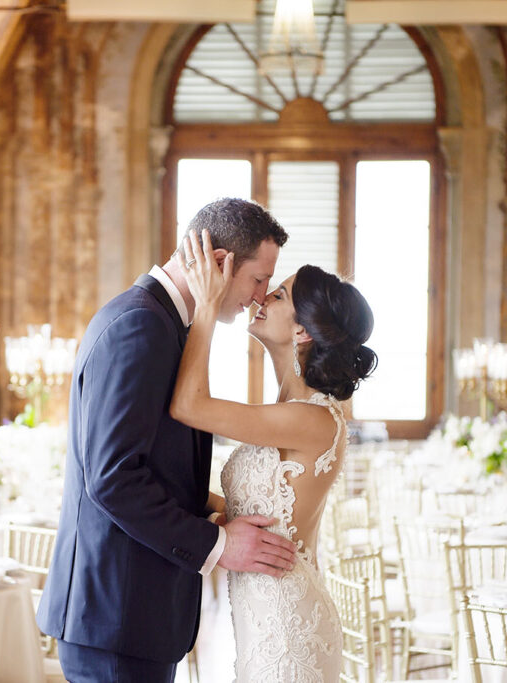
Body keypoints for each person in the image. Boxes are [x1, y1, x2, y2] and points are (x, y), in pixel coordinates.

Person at [37, 198, 298, 682]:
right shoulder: (140, 325)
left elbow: (158, 466)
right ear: (220, 262)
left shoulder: (163, 324)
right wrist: (218, 544)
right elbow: (114, 479)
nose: (260, 297)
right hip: (117, 616)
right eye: (259, 279)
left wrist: (218, 515)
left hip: (132, 616)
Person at [170, 229, 377, 682]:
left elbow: (188, 406)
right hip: (261, 623)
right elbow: (260, 511)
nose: (262, 297)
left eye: (278, 294)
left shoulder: (313, 418)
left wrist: (206, 307)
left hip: (288, 632)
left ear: (302, 330)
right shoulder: (287, 412)